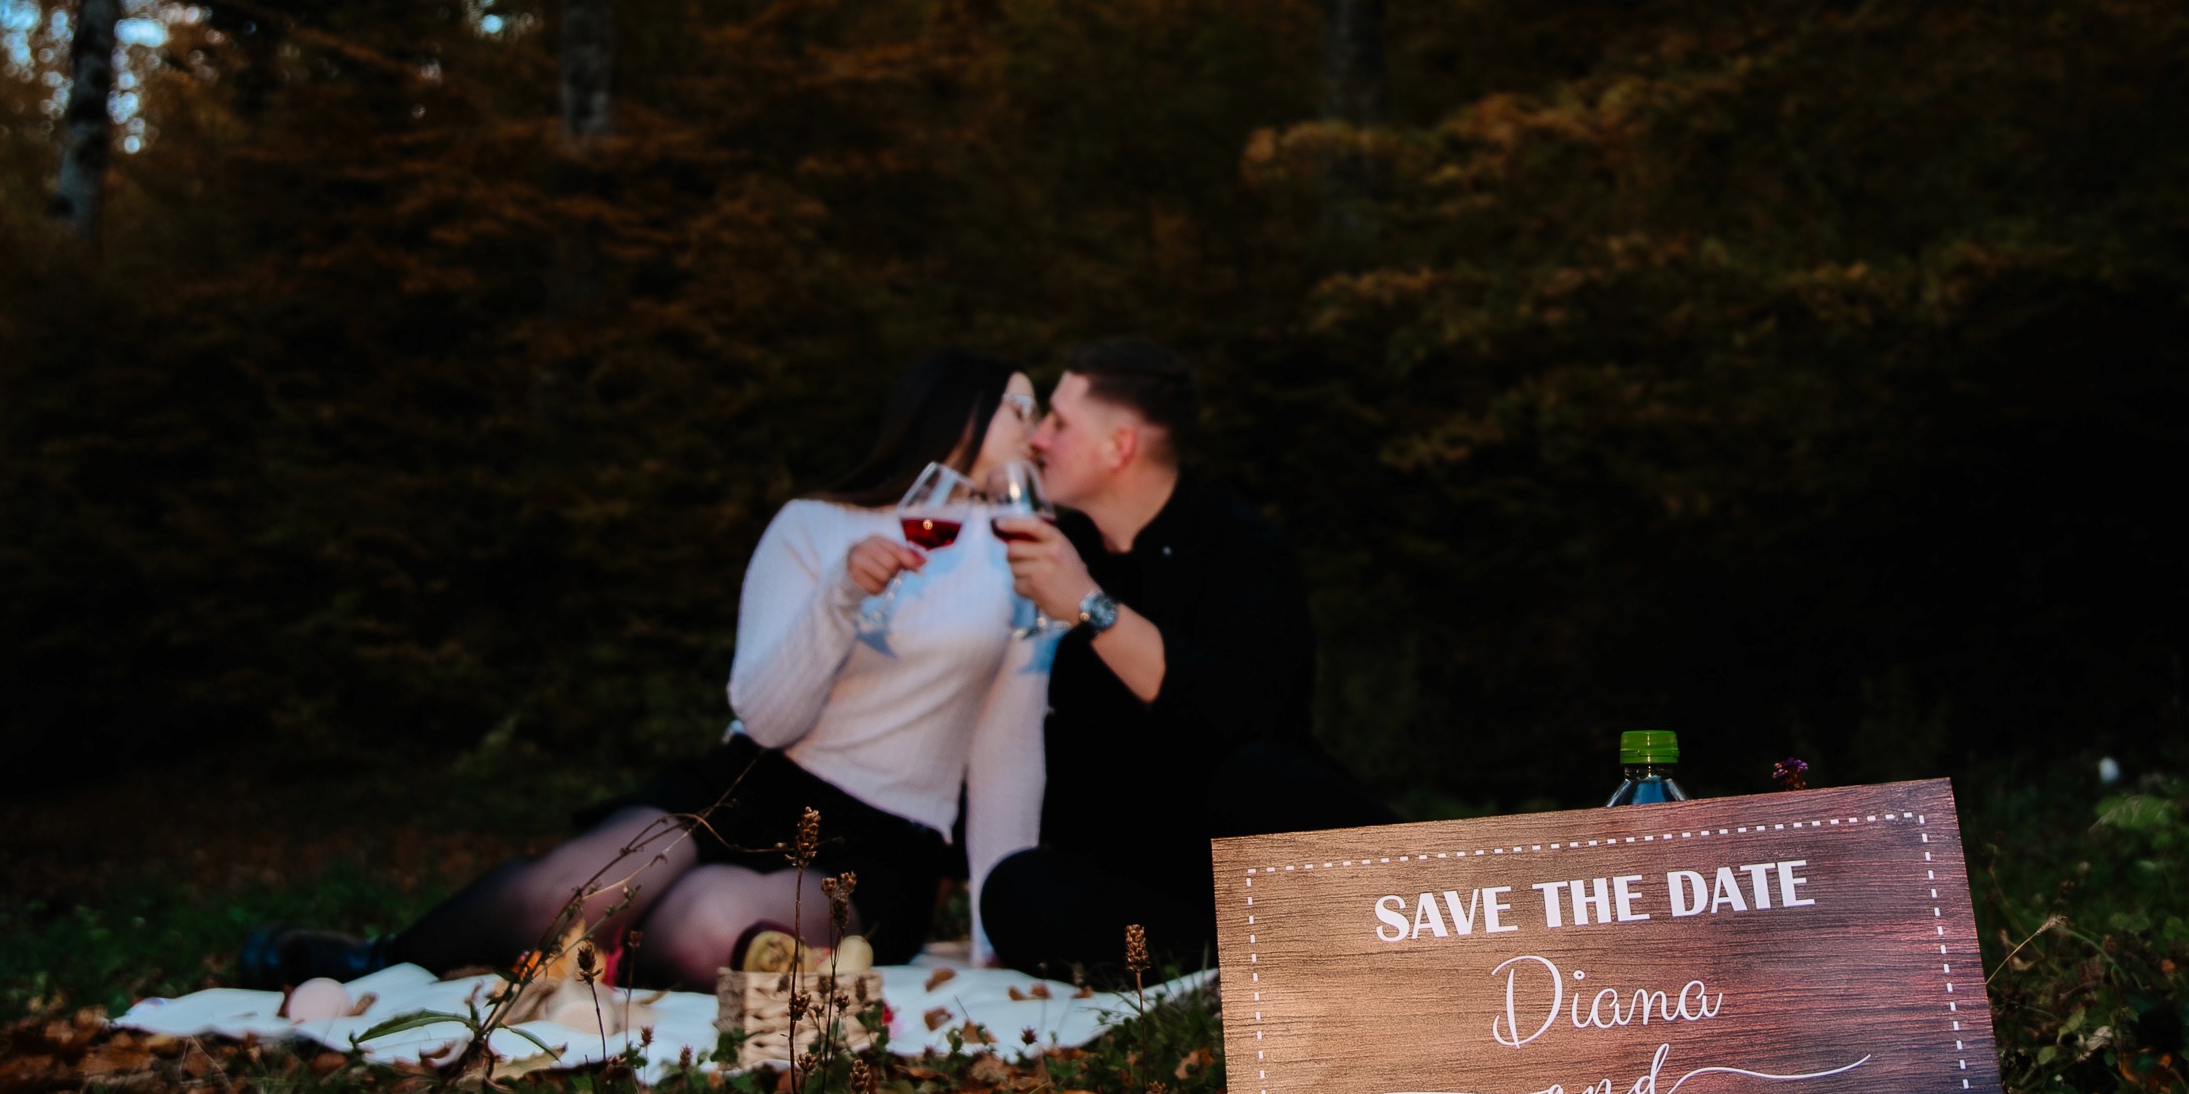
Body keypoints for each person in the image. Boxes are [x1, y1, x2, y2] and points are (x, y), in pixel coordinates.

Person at [241, 353, 1053, 988]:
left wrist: (1002, 927)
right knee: (572, 893)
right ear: (956, 408)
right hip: (750, 784)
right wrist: (839, 597)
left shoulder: (1018, 558)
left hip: (882, 842)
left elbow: (1009, 752)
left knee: (705, 927)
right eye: (1021, 406)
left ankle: (612, 968)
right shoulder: (811, 525)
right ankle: (383, 963)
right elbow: (767, 719)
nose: (1038, 428)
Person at [972, 337, 1375, 977]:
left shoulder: (1238, 543)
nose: (1039, 438)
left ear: (1120, 446)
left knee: (1263, 777)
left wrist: (1089, 606)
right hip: (1153, 887)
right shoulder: (1063, 546)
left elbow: (1242, 716)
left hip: (1258, 847)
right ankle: (1229, 964)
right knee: (1017, 890)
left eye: (1059, 422)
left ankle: (1370, 926)